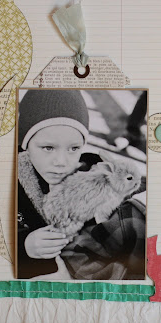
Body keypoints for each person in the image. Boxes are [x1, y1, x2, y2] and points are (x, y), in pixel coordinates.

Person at [17, 89, 145, 280]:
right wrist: (23, 245)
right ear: (25, 145)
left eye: (73, 148)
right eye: (48, 148)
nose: (61, 162)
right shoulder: (12, 185)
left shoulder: (91, 169)